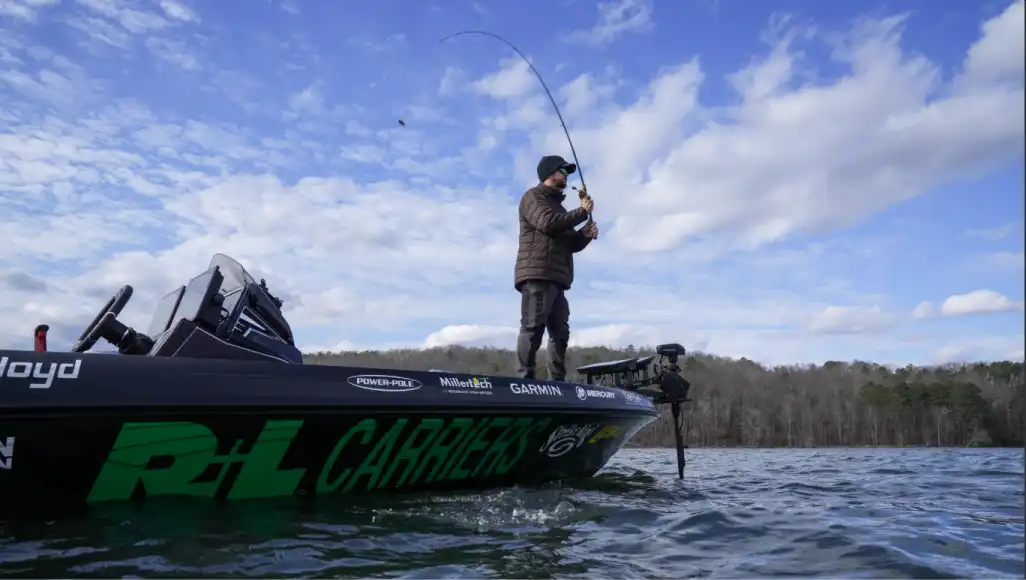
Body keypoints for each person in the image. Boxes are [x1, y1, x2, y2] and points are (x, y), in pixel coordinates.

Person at [514, 154, 598, 381]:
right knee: (533, 328)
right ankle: (524, 380)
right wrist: (581, 212)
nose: (567, 175)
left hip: (557, 279)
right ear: (550, 173)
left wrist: (585, 234)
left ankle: (558, 384)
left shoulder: (559, 208)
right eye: (564, 171)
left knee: (560, 333)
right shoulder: (533, 197)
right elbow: (547, 224)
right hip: (538, 273)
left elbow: (570, 244)